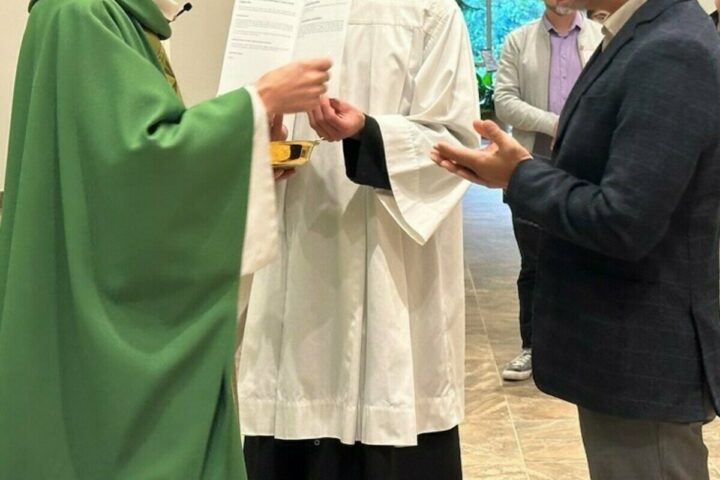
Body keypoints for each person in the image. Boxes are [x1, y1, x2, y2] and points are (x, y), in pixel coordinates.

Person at [0, 0, 331, 478]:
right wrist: (259, 101)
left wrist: (244, 152)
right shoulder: (83, 13)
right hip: (91, 311)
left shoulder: (104, 15)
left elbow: (125, 165)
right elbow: (138, 163)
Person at [432, 0, 720, 478]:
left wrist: (520, 176)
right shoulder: (640, 33)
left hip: (643, 356)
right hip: (621, 349)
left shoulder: (672, 48)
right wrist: (517, 172)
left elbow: (623, 219)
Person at [235, 0, 480, 478]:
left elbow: (457, 142)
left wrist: (367, 131)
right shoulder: (275, 6)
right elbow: (241, 101)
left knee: (385, 401)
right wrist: (257, 142)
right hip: (293, 254)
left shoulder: (429, 10)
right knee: (288, 406)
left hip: (390, 267)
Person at [494, 0, 602, 381]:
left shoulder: (602, 36)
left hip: (591, 164)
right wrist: (558, 124)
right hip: (532, 164)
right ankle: (533, 347)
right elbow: (504, 100)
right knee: (535, 260)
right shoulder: (517, 41)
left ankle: (587, 345)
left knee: (592, 257)